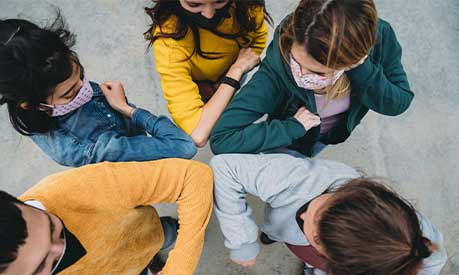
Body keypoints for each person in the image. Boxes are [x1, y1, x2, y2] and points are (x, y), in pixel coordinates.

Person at [210, 0, 414, 157]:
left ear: (351, 62)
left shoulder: (381, 37)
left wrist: (362, 69)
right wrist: (292, 127)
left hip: (331, 135)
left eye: (319, 73)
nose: (303, 76)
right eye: (297, 62)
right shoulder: (276, 73)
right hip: (291, 140)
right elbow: (222, 138)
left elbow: (398, 103)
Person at [0, 17, 196, 167]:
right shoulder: (78, 150)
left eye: (82, 75)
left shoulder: (57, 75)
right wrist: (128, 109)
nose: (85, 89)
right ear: (33, 105)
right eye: (70, 93)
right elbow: (182, 146)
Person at [211, 154, 447, 275]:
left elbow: (433, 260)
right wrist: (242, 239)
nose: (303, 216)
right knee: (278, 228)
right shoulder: (299, 179)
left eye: (316, 239)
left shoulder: (412, 245)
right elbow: (225, 167)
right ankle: (273, 234)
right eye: (323, 205)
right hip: (284, 228)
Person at [0, 158, 213, 275]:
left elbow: (192, 177)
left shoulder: (76, 187)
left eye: (52, 226)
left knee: (168, 233)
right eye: (43, 265)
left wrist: (179, 268)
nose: (63, 248)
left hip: (147, 234)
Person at [145, 0, 272, 147]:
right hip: (203, 83)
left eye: (219, 1)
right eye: (194, 4)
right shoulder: (169, 41)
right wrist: (235, 72)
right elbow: (197, 134)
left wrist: (229, 78)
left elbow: (257, 40)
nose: (209, 14)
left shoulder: (247, 5)